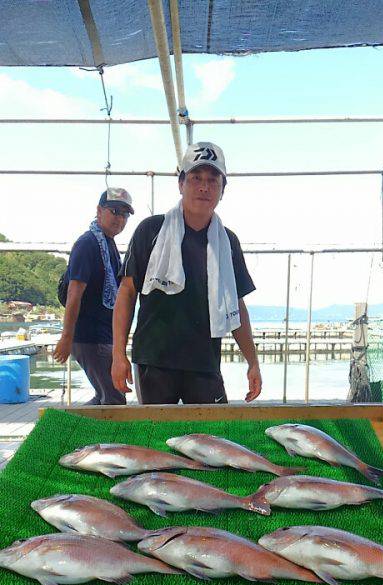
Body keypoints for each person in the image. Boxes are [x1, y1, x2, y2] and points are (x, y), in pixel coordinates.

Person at [111, 142, 262, 404]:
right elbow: (126, 292)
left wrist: (253, 362)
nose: (204, 187)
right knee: (156, 437)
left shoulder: (228, 242)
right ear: (181, 184)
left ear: (222, 190)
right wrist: (118, 354)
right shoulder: (150, 230)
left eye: (213, 180)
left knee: (211, 436)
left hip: (205, 362)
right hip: (154, 362)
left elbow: (236, 304)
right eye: (195, 178)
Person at [54, 187, 134, 405]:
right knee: (115, 398)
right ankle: (103, 438)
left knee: (103, 396)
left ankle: (77, 430)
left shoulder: (109, 245)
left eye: (125, 214)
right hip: (90, 337)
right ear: (99, 211)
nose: (120, 218)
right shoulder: (87, 244)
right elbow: (74, 294)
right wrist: (66, 338)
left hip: (103, 334)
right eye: (114, 211)